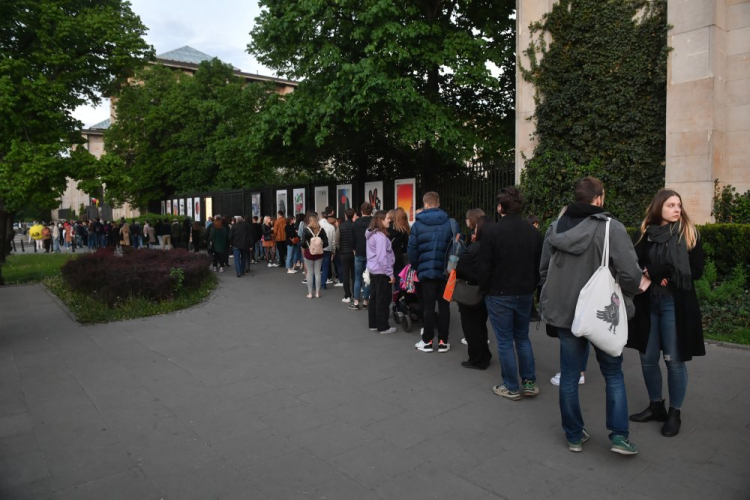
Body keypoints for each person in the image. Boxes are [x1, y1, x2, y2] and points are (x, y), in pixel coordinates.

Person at [540, 177, 644, 455]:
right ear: (599, 198)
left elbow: (544, 271)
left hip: (565, 315)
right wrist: (629, 295)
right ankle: (619, 436)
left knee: (570, 377)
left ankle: (574, 436)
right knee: (613, 373)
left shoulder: (555, 227)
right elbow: (631, 275)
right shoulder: (611, 228)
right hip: (603, 315)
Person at [627, 189, 705, 438]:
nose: (677, 209)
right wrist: (652, 270)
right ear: (658, 206)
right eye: (671, 205)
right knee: (648, 358)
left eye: (679, 205)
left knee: (674, 360)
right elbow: (633, 263)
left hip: (675, 305)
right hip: (649, 305)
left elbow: (696, 270)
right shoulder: (645, 235)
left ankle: (675, 412)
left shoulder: (689, 234)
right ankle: (655, 406)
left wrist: (665, 272)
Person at [478, 187, 542, 400]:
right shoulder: (533, 232)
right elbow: (538, 265)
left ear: (500, 208)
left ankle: (512, 386)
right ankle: (530, 381)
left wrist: (484, 289)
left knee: (504, 340)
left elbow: (484, 266)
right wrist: (532, 285)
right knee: (522, 337)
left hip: (499, 292)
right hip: (524, 291)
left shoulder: (492, 232)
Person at [408, 192, 455, 353]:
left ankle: (427, 341)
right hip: (445, 272)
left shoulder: (418, 225)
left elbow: (412, 250)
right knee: (444, 306)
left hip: (426, 272)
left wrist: (417, 267)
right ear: (438, 203)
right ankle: (443, 341)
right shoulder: (449, 223)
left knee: (428, 307)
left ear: (426, 204)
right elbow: (455, 248)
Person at [457, 215, 493, 370]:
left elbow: (460, 268)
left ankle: (477, 358)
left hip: (471, 291)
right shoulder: (493, 246)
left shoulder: (474, 248)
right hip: (487, 291)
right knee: (481, 325)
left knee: (471, 327)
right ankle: (484, 354)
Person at [366, 211, 397, 334]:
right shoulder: (380, 237)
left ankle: (374, 323)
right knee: (383, 299)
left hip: (374, 270)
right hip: (382, 272)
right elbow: (382, 258)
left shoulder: (372, 234)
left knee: (374, 298)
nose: (389, 220)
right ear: (381, 220)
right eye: (387, 219)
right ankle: (383, 326)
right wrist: (390, 273)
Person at [351, 203, 373, 310]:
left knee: (357, 277)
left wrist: (354, 249)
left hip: (358, 252)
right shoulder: (374, 222)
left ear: (361, 211)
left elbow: (353, 239)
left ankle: (355, 301)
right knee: (368, 278)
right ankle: (366, 300)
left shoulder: (355, 223)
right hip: (370, 253)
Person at [301, 213, 328, 298]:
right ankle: (317, 292)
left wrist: (307, 248)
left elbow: (302, 243)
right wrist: (320, 247)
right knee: (317, 272)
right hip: (319, 253)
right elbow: (326, 242)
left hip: (309, 253)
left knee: (309, 272)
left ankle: (310, 293)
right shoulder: (321, 230)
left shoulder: (306, 230)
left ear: (310, 221)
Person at [387, 207, 410, 289]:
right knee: (398, 280)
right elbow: (406, 246)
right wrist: (400, 250)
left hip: (387, 257)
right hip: (398, 257)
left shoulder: (386, 229)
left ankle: (388, 299)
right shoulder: (402, 230)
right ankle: (398, 299)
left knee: (387, 280)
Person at [337, 208, 356, 303]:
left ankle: (347, 296)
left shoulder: (341, 226)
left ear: (345, 215)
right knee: (354, 275)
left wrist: (340, 249)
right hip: (354, 253)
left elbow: (336, 241)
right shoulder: (355, 225)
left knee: (345, 275)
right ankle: (355, 295)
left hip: (344, 253)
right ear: (353, 215)